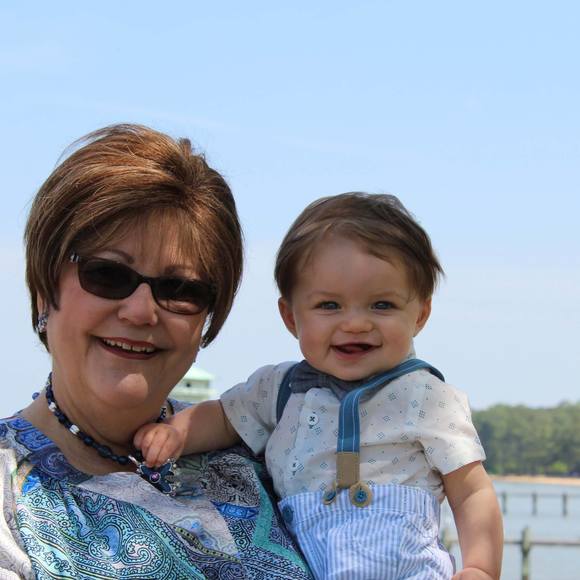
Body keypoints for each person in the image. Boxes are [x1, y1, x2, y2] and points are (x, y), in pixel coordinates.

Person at [137, 192, 504, 580]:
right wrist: (176, 433)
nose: (355, 323)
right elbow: (225, 418)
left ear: (420, 315)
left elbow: (471, 491)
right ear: (290, 317)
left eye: (382, 305)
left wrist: (480, 567)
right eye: (329, 305)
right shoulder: (281, 389)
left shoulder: (428, 398)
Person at [0, 124, 312, 579]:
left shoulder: (267, 453)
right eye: (108, 275)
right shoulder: (9, 496)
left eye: (179, 289)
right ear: (44, 291)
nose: (142, 311)